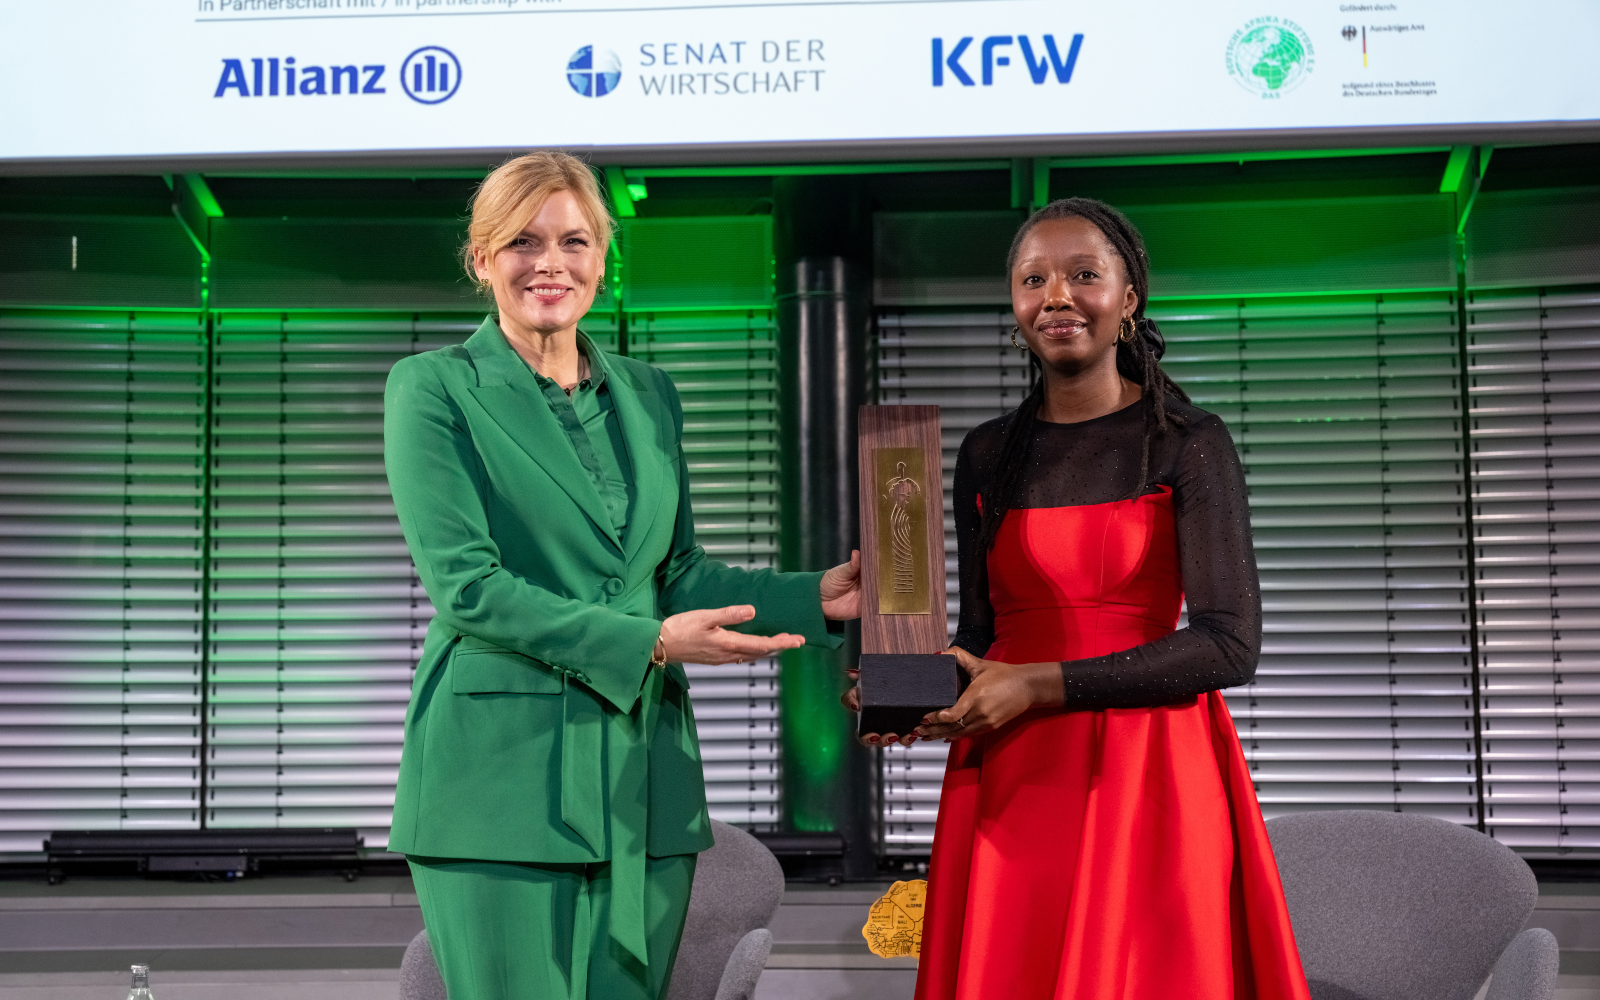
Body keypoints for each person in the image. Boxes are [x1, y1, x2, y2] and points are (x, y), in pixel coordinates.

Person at [382, 151, 861, 1000]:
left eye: (573, 241)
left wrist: (811, 596)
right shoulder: (434, 387)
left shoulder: (649, 394)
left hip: (644, 776)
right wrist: (651, 643)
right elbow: (468, 586)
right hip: (499, 779)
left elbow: (674, 573)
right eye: (523, 242)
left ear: (602, 258)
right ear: (481, 258)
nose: (550, 264)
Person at [849, 198, 1310, 999]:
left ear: (1128, 299)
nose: (1056, 296)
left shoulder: (1189, 441)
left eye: (1083, 274)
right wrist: (906, 691)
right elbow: (981, 634)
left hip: (1150, 772)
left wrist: (1038, 684)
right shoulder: (985, 453)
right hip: (1010, 775)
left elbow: (1230, 643)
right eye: (1034, 280)